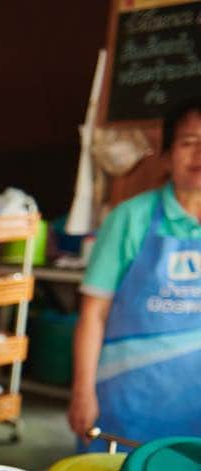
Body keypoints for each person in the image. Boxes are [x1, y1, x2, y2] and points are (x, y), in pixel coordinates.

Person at [67, 99, 201, 450]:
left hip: (194, 410)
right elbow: (93, 313)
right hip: (126, 401)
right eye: (189, 142)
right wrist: (82, 392)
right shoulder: (129, 219)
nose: (199, 154)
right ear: (168, 154)